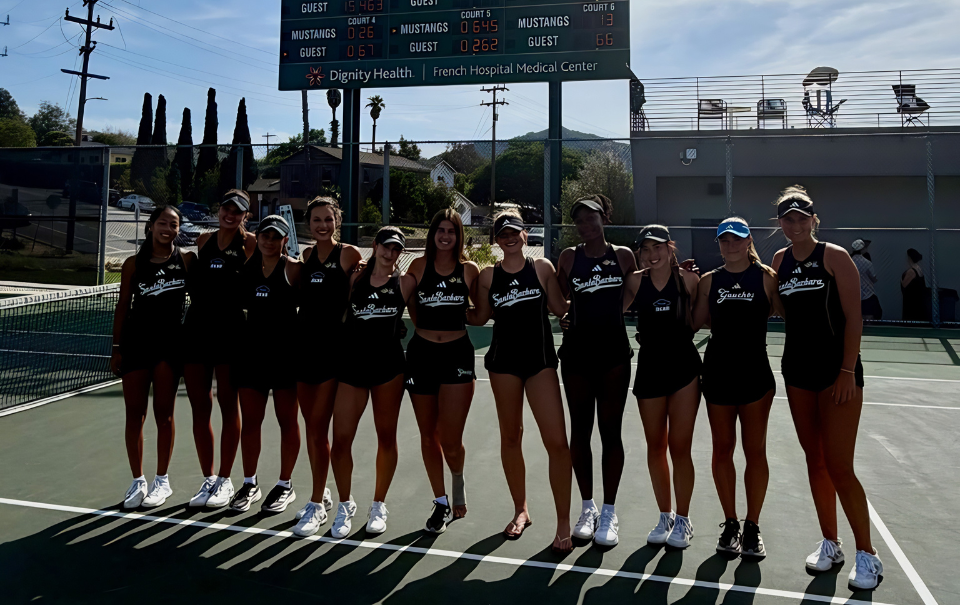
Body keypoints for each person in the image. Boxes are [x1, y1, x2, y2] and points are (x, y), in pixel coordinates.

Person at [772, 186, 883, 590]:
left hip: (838, 374)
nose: (796, 224)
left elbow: (854, 319)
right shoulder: (779, 260)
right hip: (796, 374)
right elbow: (782, 310)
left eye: (803, 217)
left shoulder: (835, 257)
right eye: (788, 218)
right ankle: (830, 543)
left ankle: (868, 555)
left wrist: (846, 371)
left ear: (814, 220)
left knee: (839, 466)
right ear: (780, 223)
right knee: (814, 462)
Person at [468, 210, 574, 554]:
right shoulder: (487, 277)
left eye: (514, 231)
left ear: (525, 234)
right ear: (495, 240)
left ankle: (562, 523)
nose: (509, 237)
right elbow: (479, 316)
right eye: (502, 233)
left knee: (557, 441)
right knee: (511, 436)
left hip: (540, 362)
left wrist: (599, 298)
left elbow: (561, 307)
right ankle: (521, 510)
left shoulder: (541, 268)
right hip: (503, 364)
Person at [692, 218, 781, 558]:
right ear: (718, 244)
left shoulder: (767, 279)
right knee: (722, 449)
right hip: (718, 373)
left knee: (755, 451)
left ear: (748, 241)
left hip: (756, 375)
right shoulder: (707, 281)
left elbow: (794, 316)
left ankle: (752, 527)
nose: (730, 246)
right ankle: (730, 523)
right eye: (724, 241)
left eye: (737, 240)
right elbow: (694, 322)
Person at [556, 195, 637, 547]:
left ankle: (609, 511)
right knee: (580, 432)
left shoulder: (622, 256)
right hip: (576, 357)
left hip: (614, 356)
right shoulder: (569, 257)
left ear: (605, 218)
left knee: (610, 432)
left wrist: (614, 314)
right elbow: (560, 297)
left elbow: (633, 289)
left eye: (592, 219)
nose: (586, 226)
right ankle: (586, 507)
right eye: (580, 221)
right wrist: (567, 313)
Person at [329, 227, 416, 538]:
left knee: (386, 437)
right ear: (375, 246)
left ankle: (378, 504)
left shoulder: (405, 284)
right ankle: (344, 504)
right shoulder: (355, 279)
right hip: (353, 368)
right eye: (386, 246)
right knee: (340, 441)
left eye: (396, 249)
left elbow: (422, 320)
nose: (390, 253)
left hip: (389, 369)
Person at [111, 206, 194, 509]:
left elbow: (201, 301)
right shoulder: (133, 264)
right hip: (136, 345)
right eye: (163, 223)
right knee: (135, 414)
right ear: (150, 226)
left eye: (174, 225)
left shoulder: (186, 260)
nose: (168, 229)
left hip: (169, 347)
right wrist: (116, 347)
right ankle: (138, 481)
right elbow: (122, 306)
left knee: (164, 414)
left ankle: (162, 480)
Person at [625, 225, 701, 549]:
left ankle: (683, 520)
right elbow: (608, 308)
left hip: (684, 369)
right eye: (646, 249)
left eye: (658, 247)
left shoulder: (690, 280)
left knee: (679, 448)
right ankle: (665, 515)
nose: (652, 254)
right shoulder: (634, 281)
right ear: (640, 252)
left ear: (670, 248)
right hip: (650, 370)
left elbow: (700, 317)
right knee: (655, 446)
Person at [406, 209, 480, 533]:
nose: (445, 236)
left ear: (458, 235)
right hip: (421, 354)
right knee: (428, 434)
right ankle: (440, 502)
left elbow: (479, 312)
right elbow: (409, 303)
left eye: (451, 230)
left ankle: (458, 482)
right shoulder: (419, 267)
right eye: (440, 230)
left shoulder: (469, 270)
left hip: (457, 354)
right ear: (432, 234)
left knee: (450, 439)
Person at [182, 190, 257, 509]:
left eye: (238, 211)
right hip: (197, 331)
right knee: (200, 406)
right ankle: (209, 479)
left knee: (229, 407)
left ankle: (226, 480)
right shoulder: (202, 241)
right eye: (226, 208)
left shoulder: (252, 243)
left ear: (245, 216)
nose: (231, 214)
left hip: (232, 334)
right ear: (218, 209)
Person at [292, 197, 362, 537]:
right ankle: (323, 492)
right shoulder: (306, 257)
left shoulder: (348, 255)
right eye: (316, 220)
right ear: (308, 223)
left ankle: (317, 503)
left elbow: (362, 292)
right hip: (304, 351)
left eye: (328, 220)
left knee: (319, 430)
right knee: (313, 432)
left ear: (337, 221)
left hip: (334, 354)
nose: (322, 225)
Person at [230, 215, 303, 514]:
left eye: (276, 236)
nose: (269, 240)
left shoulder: (295, 269)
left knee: (287, 422)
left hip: (286, 357)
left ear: (285, 240)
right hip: (252, 357)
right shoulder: (247, 269)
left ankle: (285, 485)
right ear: (257, 237)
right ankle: (250, 483)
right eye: (265, 235)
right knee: (251, 422)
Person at [850, 239, 881, 320]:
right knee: (869, 318)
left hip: (853, 296)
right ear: (862, 249)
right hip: (868, 295)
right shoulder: (867, 263)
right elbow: (874, 278)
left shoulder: (849, 262)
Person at [901, 248, 926, 322]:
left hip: (912, 302)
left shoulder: (911, 271)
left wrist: (901, 279)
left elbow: (904, 284)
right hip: (918, 300)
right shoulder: (919, 269)